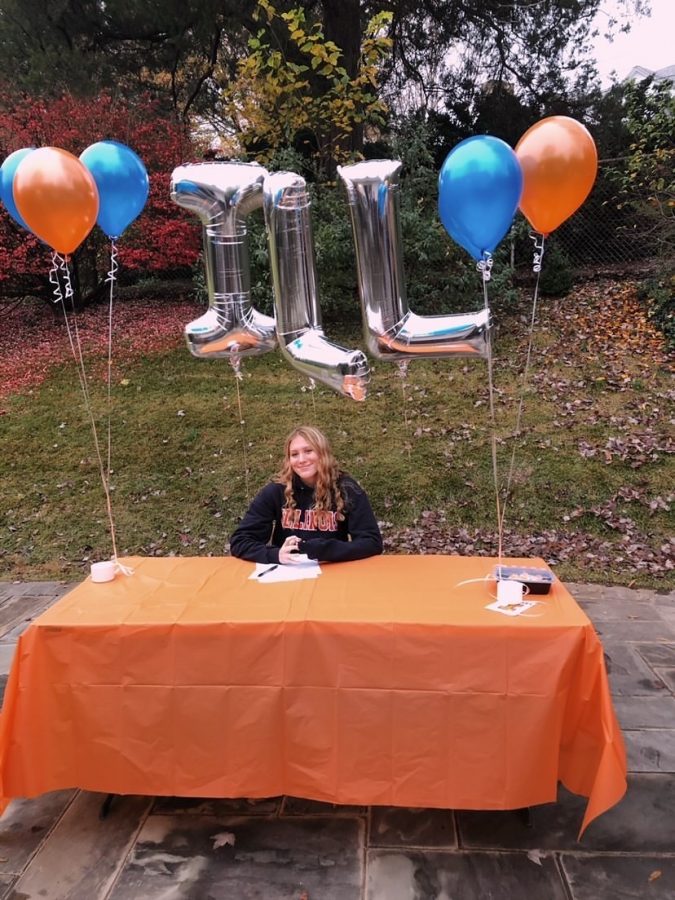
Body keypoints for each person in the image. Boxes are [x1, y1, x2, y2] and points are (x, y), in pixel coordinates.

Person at [230, 425, 383, 565]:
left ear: (322, 453)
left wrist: (327, 550)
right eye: (294, 454)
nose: (301, 460)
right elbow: (240, 541)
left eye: (308, 451)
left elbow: (372, 542)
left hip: (332, 569)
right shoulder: (276, 490)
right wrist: (275, 555)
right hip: (287, 573)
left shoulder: (346, 488)